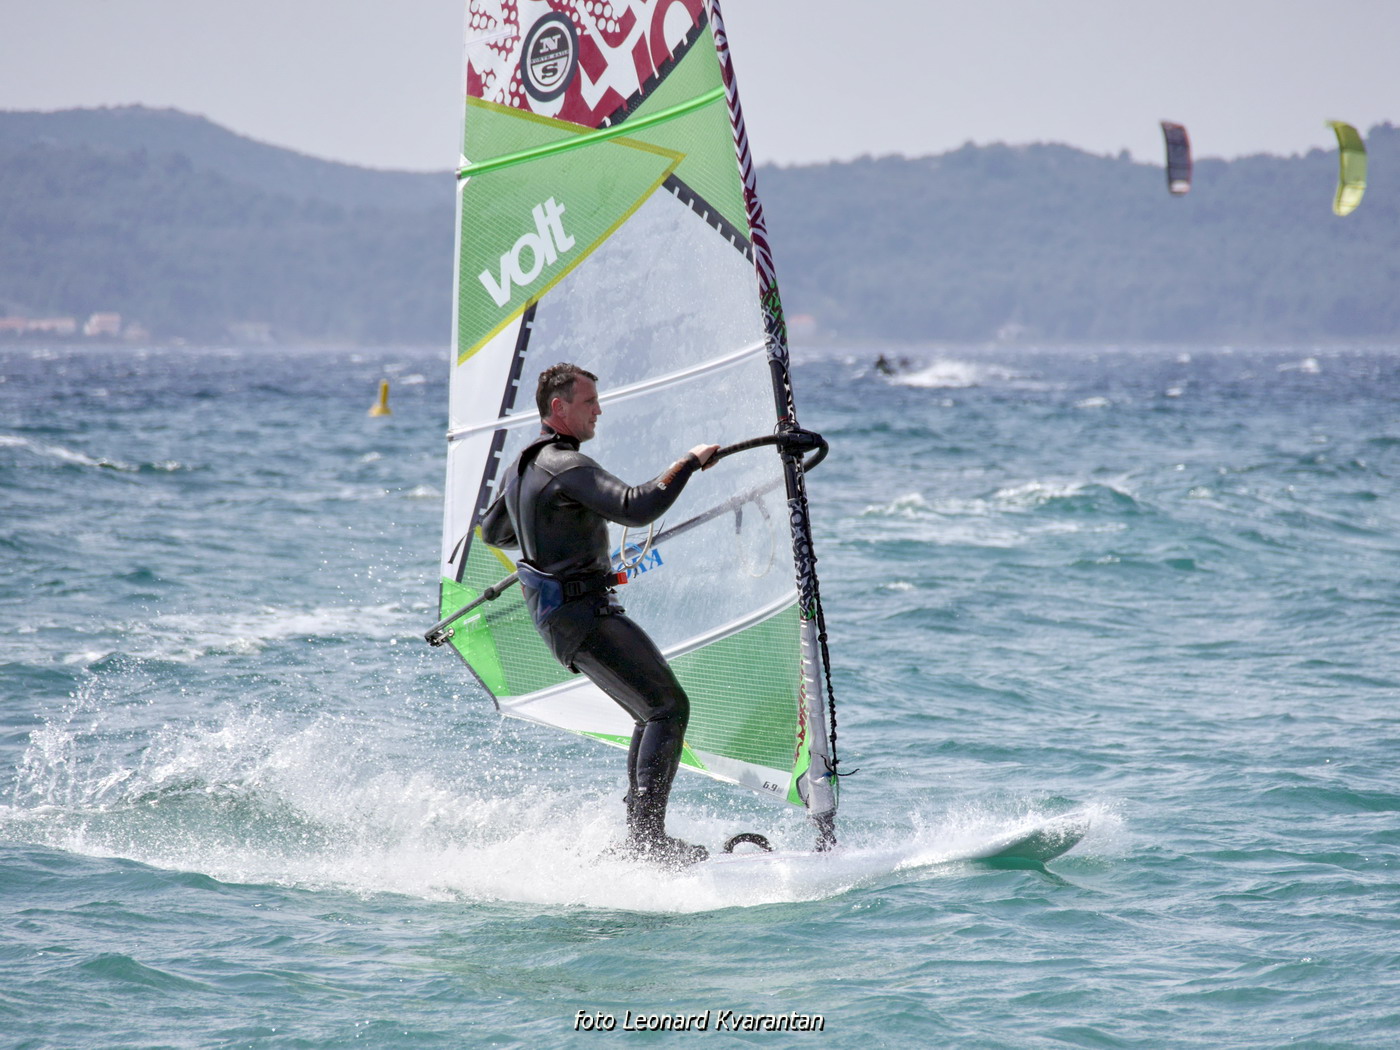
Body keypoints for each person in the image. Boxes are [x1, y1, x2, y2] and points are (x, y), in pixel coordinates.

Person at [480, 363, 719, 867]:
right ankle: (648, 842)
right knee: (667, 707)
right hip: (581, 614)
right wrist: (690, 461)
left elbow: (492, 531)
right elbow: (636, 506)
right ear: (559, 408)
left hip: (562, 617)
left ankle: (641, 837)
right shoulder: (566, 466)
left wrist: (549, 532)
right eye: (590, 402)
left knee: (650, 709)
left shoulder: (522, 467)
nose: (599, 410)